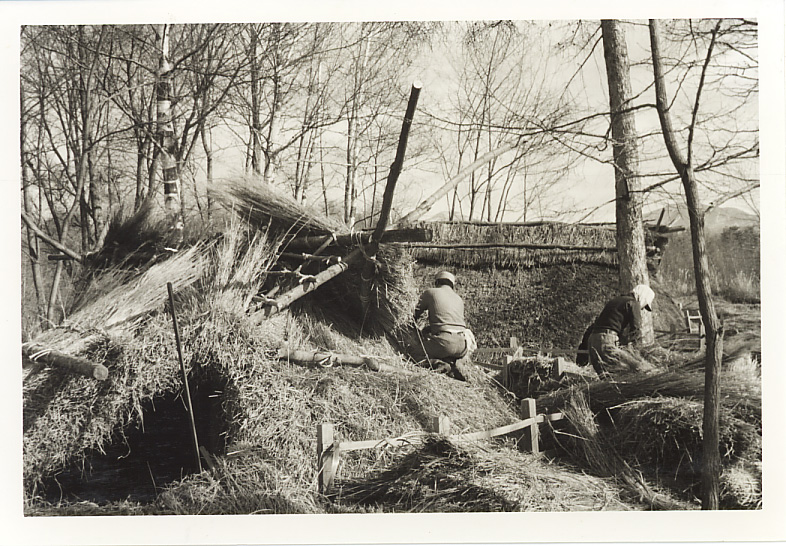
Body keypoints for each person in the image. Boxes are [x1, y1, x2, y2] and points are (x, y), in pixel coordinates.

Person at [586, 284, 656, 379]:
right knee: (619, 376)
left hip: (593, 340)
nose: (643, 308)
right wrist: (637, 353)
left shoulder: (616, 301)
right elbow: (636, 329)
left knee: (605, 378)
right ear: (642, 297)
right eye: (645, 305)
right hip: (607, 340)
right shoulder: (633, 303)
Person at [410, 271, 474, 365]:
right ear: (452, 285)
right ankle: (453, 365)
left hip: (444, 343)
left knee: (413, 353)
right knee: (445, 351)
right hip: (462, 345)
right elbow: (451, 323)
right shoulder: (459, 299)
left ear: (437, 282)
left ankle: (437, 364)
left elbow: (414, 313)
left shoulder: (430, 292)